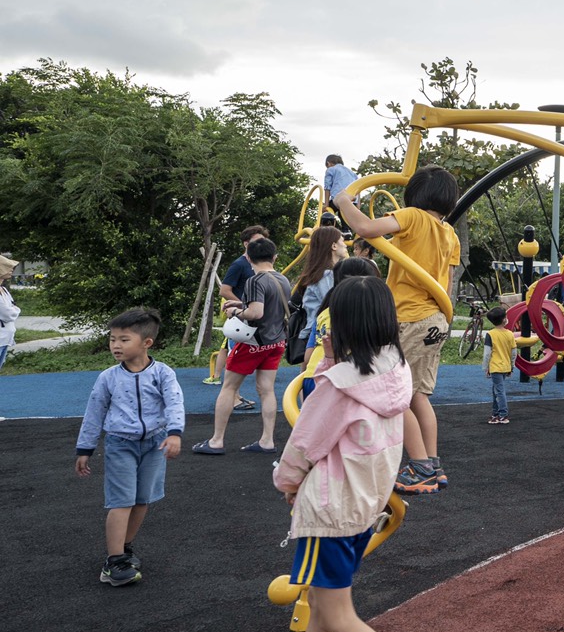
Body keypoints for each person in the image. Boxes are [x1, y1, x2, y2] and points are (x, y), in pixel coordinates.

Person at [236, 275, 449, 632]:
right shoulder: (394, 370)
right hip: (362, 504)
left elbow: (303, 445)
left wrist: (287, 484)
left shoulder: (334, 386)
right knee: (327, 606)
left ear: (345, 324)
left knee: (335, 615)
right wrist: (335, 358)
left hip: (330, 511)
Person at [333, 166, 462, 495]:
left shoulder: (413, 217)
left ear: (415, 194)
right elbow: (444, 285)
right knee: (417, 393)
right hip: (435, 317)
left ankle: (418, 466)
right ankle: (432, 463)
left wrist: (343, 200)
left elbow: (363, 226)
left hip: (408, 316)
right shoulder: (450, 234)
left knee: (393, 392)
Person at [73, 307, 184, 587]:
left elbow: (174, 403)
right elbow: (94, 412)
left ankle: (124, 548)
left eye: (124, 340)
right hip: (120, 444)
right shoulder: (109, 377)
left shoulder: (163, 374)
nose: (115, 346)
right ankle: (113, 562)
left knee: (142, 499)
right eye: (112, 339)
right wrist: (84, 448)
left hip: (154, 444)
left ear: (147, 343)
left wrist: (174, 433)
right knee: (121, 500)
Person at [194, 236, 290, 455]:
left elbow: (256, 313)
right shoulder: (282, 279)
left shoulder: (255, 280)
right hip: (276, 342)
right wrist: (242, 303)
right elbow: (272, 305)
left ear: (248, 258)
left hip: (253, 341)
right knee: (266, 390)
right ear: (274, 257)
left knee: (229, 387)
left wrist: (235, 311)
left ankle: (216, 440)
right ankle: (267, 440)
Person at [215, 224, 271, 397]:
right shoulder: (239, 264)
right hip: (241, 317)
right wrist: (242, 305)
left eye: (263, 241)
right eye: (256, 241)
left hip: (255, 316)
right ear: (246, 244)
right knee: (234, 354)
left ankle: (237, 395)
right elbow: (224, 290)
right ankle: (233, 397)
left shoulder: (261, 264)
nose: (261, 245)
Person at [295, 227, 348, 367]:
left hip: (316, 332)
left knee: (308, 376)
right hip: (321, 333)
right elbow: (334, 304)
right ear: (334, 245)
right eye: (342, 240)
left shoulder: (320, 273)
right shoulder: (327, 276)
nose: (345, 244)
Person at [482, 307, 518, 426]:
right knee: (496, 390)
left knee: (499, 391)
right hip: (505, 366)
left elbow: (487, 354)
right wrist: (511, 366)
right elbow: (514, 353)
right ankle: (496, 413)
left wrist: (485, 368)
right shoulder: (510, 334)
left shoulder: (490, 334)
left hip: (495, 367)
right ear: (504, 320)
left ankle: (503, 414)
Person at [0, 253, 18, 371]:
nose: (11, 269)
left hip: (5, 337)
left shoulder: (4, 289)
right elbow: (7, 313)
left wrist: (14, 310)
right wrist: (15, 310)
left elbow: (12, 308)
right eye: (7, 266)